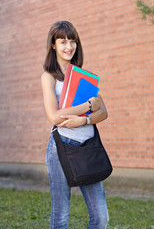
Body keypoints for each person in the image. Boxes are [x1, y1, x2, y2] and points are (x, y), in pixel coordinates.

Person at [41, 21, 109, 229]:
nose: (69, 47)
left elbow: (103, 112)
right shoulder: (49, 77)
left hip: (87, 148)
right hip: (62, 146)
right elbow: (54, 116)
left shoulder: (83, 76)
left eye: (73, 41)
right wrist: (87, 105)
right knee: (61, 217)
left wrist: (85, 119)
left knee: (101, 217)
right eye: (62, 42)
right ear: (53, 45)